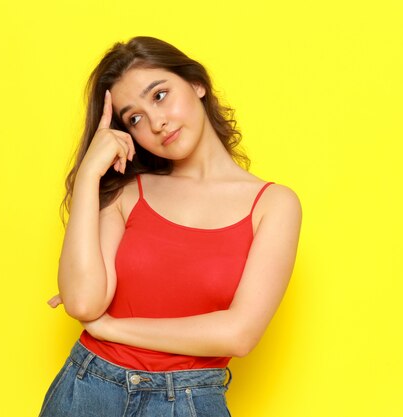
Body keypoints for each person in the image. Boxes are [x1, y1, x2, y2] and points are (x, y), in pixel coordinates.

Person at [38, 36, 302, 417]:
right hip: (88, 389)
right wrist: (88, 176)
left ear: (197, 84)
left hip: (189, 402)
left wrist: (109, 328)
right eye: (135, 118)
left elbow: (239, 334)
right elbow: (82, 302)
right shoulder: (128, 193)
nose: (157, 122)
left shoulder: (274, 205)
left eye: (159, 95)